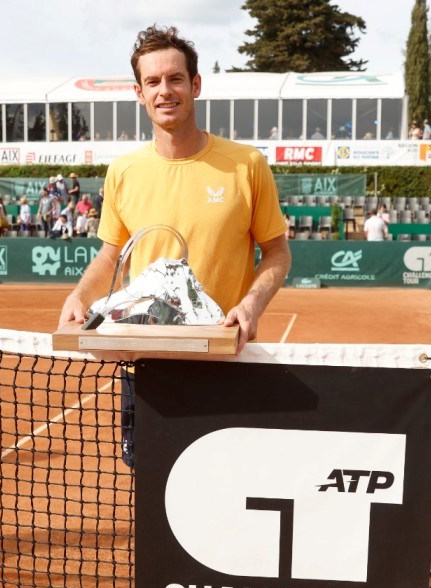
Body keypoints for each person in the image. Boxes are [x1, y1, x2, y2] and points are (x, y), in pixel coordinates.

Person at [57, 24, 290, 352]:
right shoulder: (123, 171)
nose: (164, 91)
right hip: (143, 359)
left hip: (225, 357)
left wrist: (252, 304)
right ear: (140, 94)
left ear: (195, 85)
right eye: (152, 82)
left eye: (175, 78)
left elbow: (277, 252)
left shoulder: (247, 163)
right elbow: (111, 257)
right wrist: (80, 295)